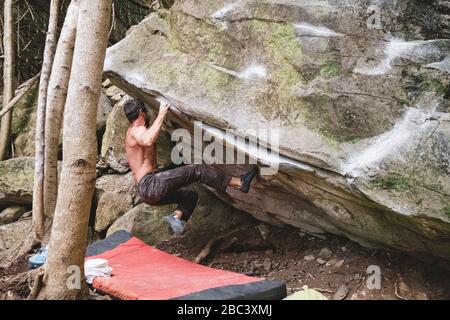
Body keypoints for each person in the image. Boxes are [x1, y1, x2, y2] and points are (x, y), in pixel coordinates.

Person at [124, 99, 256, 235]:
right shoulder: (137, 130)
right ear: (141, 112)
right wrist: (161, 114)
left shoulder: (133, 132)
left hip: (147, 190)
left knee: (190, 196)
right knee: (197, 169)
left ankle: (175, 218)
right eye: (145, 111)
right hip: (150, 184)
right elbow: (147, 140)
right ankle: (239, 183)